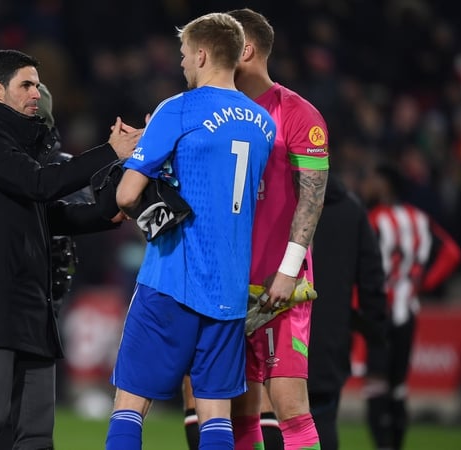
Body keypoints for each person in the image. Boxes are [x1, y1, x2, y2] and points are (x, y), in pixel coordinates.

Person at [0, 49, 141, 450]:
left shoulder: (21, 149)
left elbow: (52, 217)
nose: (37, 92)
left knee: (36, 432)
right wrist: (109, 152)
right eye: (27, 85)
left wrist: (110, 211)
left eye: (37, 84)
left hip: (32, 302)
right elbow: (41, 185)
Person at [106, 12, 276, 449]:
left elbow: (127, 196)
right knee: (215, 412)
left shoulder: (177, 108)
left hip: (172, 279)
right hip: (230, 289)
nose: (182, 63)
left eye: (183, 54)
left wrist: (138, 160)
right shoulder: (264, 124)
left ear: (201, 54)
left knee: (130, 404)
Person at [182, 8, 330, 450]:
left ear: (244, 49)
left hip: (280, 284)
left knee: (288, 402)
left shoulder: (299, 114)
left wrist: (288, 270)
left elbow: (312, 198)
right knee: (240, 407)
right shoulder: (211, 114)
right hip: (224, 284)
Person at [256, 172, 391, 450]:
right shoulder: (352, 211)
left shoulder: (278, 203)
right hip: (331, 334)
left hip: (282, 322)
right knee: (321, 417)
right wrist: (373, 327)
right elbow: (372, 279)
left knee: (271, 415)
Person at [362, 162, 461, 450]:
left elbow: (362, 269)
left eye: (372, 181)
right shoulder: (419, 218)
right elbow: (453, 253)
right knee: (399, 387)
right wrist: (424, 283)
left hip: (379, 312)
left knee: (376, 386)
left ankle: (382, 445)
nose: (367, 187)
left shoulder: (374, 219)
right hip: (408, 309)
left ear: (385, 186)